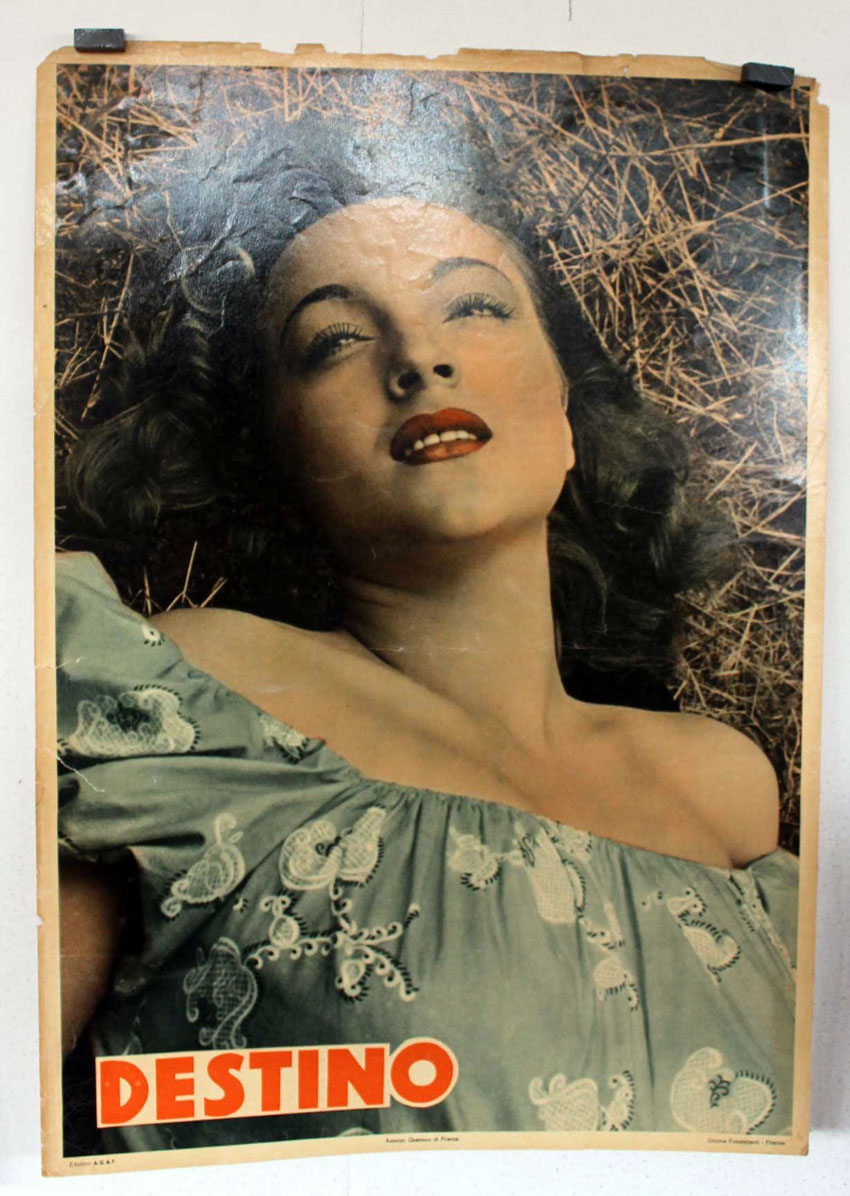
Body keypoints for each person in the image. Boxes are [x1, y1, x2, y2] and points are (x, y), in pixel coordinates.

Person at [57, 197, 797, 1151]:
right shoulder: (187, 691)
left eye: (475, 308)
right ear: (280, 457)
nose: (419, 358)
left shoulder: (723, 785)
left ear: (566, 415)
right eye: (334, 340)